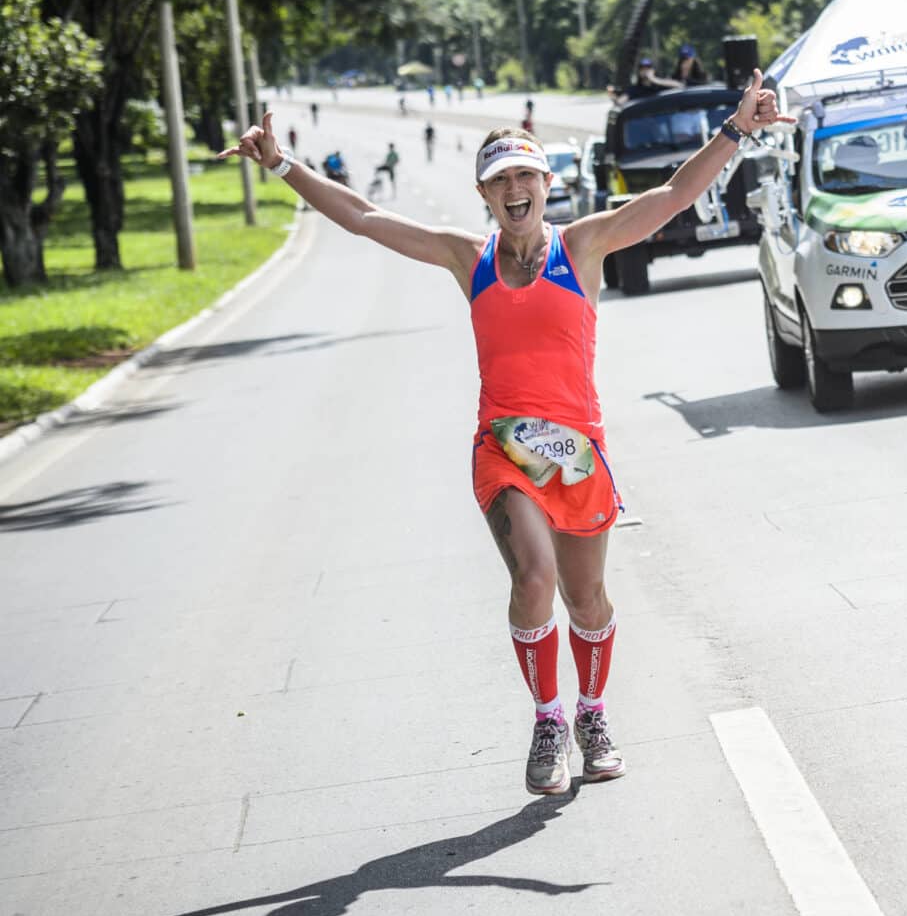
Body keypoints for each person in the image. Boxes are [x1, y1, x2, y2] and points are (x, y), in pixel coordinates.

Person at [217, 74, 793, 795]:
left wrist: (737, 130)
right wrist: (281, 165)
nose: (514, 188)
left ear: (546, 183)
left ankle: (592, 712)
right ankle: (548, 718)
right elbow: (365, 217)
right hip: (504, 452)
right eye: (500, 180)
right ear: (485, 196)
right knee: (534, 578)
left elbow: (673, 195)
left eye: (526, 174)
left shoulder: (582, 246)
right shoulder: (470, 258)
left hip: (577, 453)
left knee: (589, 603)